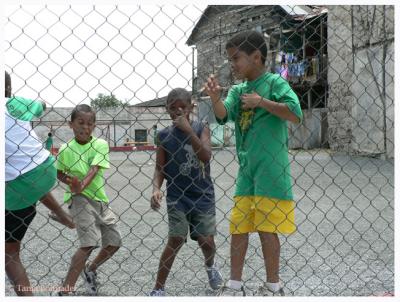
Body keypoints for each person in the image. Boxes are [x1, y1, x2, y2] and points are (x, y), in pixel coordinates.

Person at [203, 30, 303, 296]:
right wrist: (215, 99)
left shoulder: (274, 83)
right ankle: (235, 285)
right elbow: (224, 116)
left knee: (267, 229)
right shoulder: (238, 90)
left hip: (271, 171)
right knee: (239, 225)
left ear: (257, 57)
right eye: (230, 59)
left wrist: (262, 102)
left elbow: (295, 113)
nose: (232, 64)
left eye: (236, 58)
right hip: (247, 171)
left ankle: (273, 285)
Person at [5, 71, 75, 296]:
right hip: (45, 168)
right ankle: (64, 216)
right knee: (30, 180)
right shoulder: (13, 104)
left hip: (17, 185)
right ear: (8, 89)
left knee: (9, 254)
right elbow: (40, 105)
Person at [149, 88, 222, 296]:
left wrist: (189, 131)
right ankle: (158, 288)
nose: (179, 111)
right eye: (173, 108)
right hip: (177, 196)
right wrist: (156, 189)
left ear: (192, 106)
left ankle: (210, 267)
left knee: (206, 241)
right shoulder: (164, 135)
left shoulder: (201, 128)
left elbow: (206, 156)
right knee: (176, 239)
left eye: (183, 106)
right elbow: (160, 168)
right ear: (167, 110)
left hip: (202, 195)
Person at [55, 104, 122, 296]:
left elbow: (94, 170)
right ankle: (66, 290)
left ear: (94, 126)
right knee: (89, 243)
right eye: (81, 123)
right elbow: (59, 172)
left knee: (114, 242)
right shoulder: (66, 149)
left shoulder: (100, 144)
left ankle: (90, 269)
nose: (85, 127)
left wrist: (80, 184)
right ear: (71, 124)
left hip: (99, 199)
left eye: (90, 123)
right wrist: (73, 184)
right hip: (79, 199)